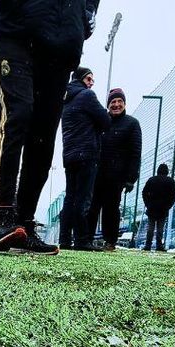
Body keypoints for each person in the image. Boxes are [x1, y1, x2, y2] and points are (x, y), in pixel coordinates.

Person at [0, 0, 101, 254]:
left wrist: (86, 14)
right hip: (16, 29)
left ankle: (25, 222)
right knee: (18, 113)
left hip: (62, 42)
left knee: (44, 135)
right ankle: (2, 212)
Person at [59, 67, 110, 251]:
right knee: (83, 198)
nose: (91, 83)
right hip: (87, 153)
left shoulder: (65, 99)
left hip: (69, 154)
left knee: (70, 197)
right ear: (81, 79)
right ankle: (81, 239)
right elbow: (105, 121)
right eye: (89, 79)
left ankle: (64, 239)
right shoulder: (87, 96)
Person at [89, 88, 142, 251]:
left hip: (116, 175)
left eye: (119, 101)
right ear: (108, 105)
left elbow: (135, 152)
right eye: (113, 102)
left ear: (124, 104)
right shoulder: (101, 121)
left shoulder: (132, 124)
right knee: (91, 207)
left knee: (111, 209)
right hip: (96, 173)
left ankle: (110, 241)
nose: (116, 105)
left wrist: (131, 177)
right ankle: (85, 238)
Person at [141, 163, 175, 252]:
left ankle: (148, 245)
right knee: (160, 228)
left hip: (152, 207)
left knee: (150, 227)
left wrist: (147, 203)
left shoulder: (152, 180)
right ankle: (159, 245)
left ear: (158, 171)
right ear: (167, 171)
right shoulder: (170, 181)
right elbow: (173, 195)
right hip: (163, 208)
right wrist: (168, 205)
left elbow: (144, 192)